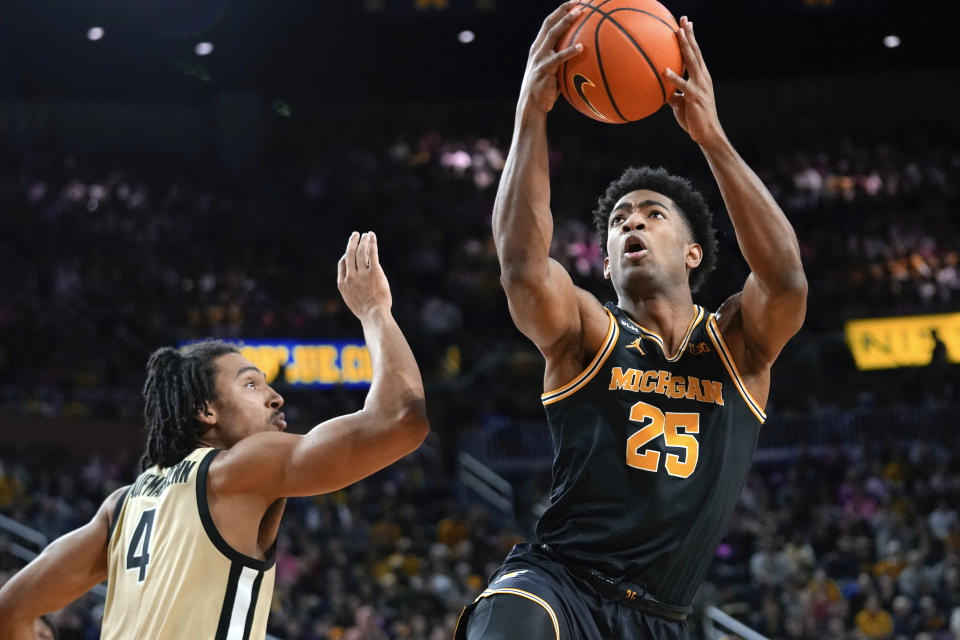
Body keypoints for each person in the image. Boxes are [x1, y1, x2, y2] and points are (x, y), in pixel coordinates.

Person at [456, 3, 807, 639]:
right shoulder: (590, 333)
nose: (631, 224)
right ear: (608, 260)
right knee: (512, 619)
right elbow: (522, 269)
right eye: (619, 222)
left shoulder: (737, 345)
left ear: (693, 251)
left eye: (650, 214)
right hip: (560, 582)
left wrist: (711, 136)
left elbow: (785, 281)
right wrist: (530, 114)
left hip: (660, 617)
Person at [0, 231, 429, 640]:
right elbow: (400, 421)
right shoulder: (237, 468)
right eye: (250, 385)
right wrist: (374, 309)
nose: (276, 397)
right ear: (205, 411)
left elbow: (11, 608)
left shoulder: (121, 506)